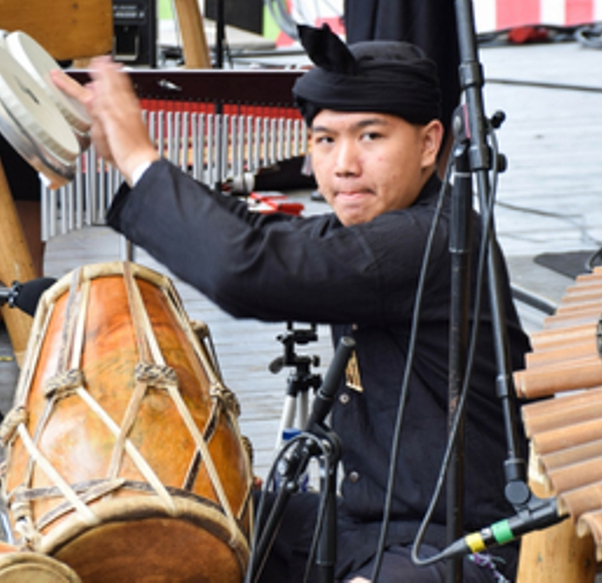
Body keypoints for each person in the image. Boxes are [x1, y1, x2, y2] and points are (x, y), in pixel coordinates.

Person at [51, 24, 530, 582]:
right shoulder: (373, 231)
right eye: (325, 140)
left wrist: (140, 158)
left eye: (370, 136)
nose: (344, 164)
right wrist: (127, 166)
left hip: (458, 545)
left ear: (429, 144)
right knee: (159, 524)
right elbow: (261, 236)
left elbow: (250, 269)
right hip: (361, 524)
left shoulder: (425, 239)